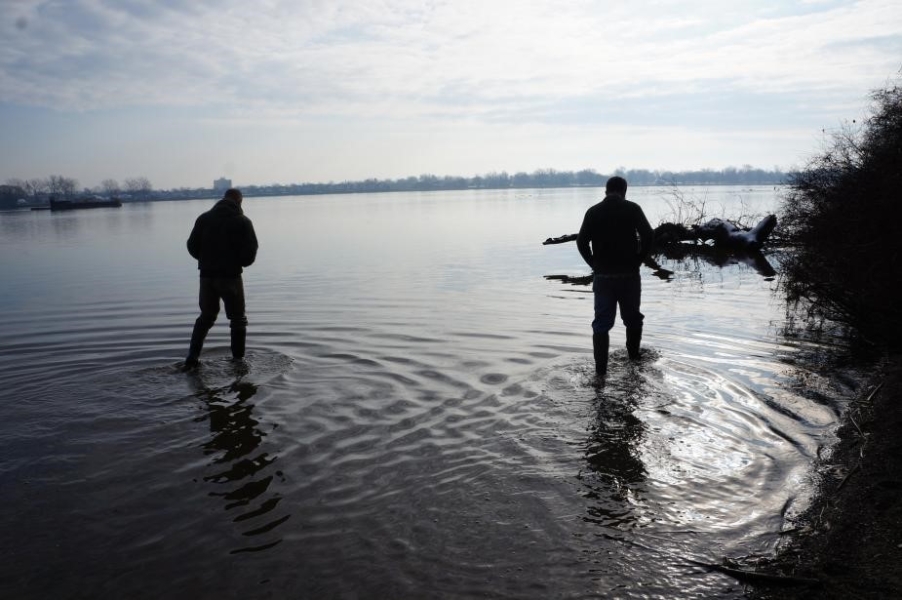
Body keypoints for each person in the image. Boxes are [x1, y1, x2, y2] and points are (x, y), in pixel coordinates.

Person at [576, 176, 653, 378]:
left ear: (606, 191)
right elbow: (649, 236)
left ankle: (600, 374)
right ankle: (634, 363)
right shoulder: (632, 209)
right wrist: (638, 259)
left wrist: (593, 264)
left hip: (603, 277)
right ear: (624, 191)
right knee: (633, 320)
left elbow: (581, 242)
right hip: (629, 275)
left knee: (601, 324)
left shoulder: (593, 212)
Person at [184, 188, 258, 368]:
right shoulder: (242, 222)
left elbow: (191, 246)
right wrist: (237, 262)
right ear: (240, 202)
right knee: (237, 319)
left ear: (222, 200)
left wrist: (206, 260)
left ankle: (192, 358)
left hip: (206, 277)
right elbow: (250, 253)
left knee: (206, 317)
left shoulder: (204, 219)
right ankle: (238, 362)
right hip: (231, 276)